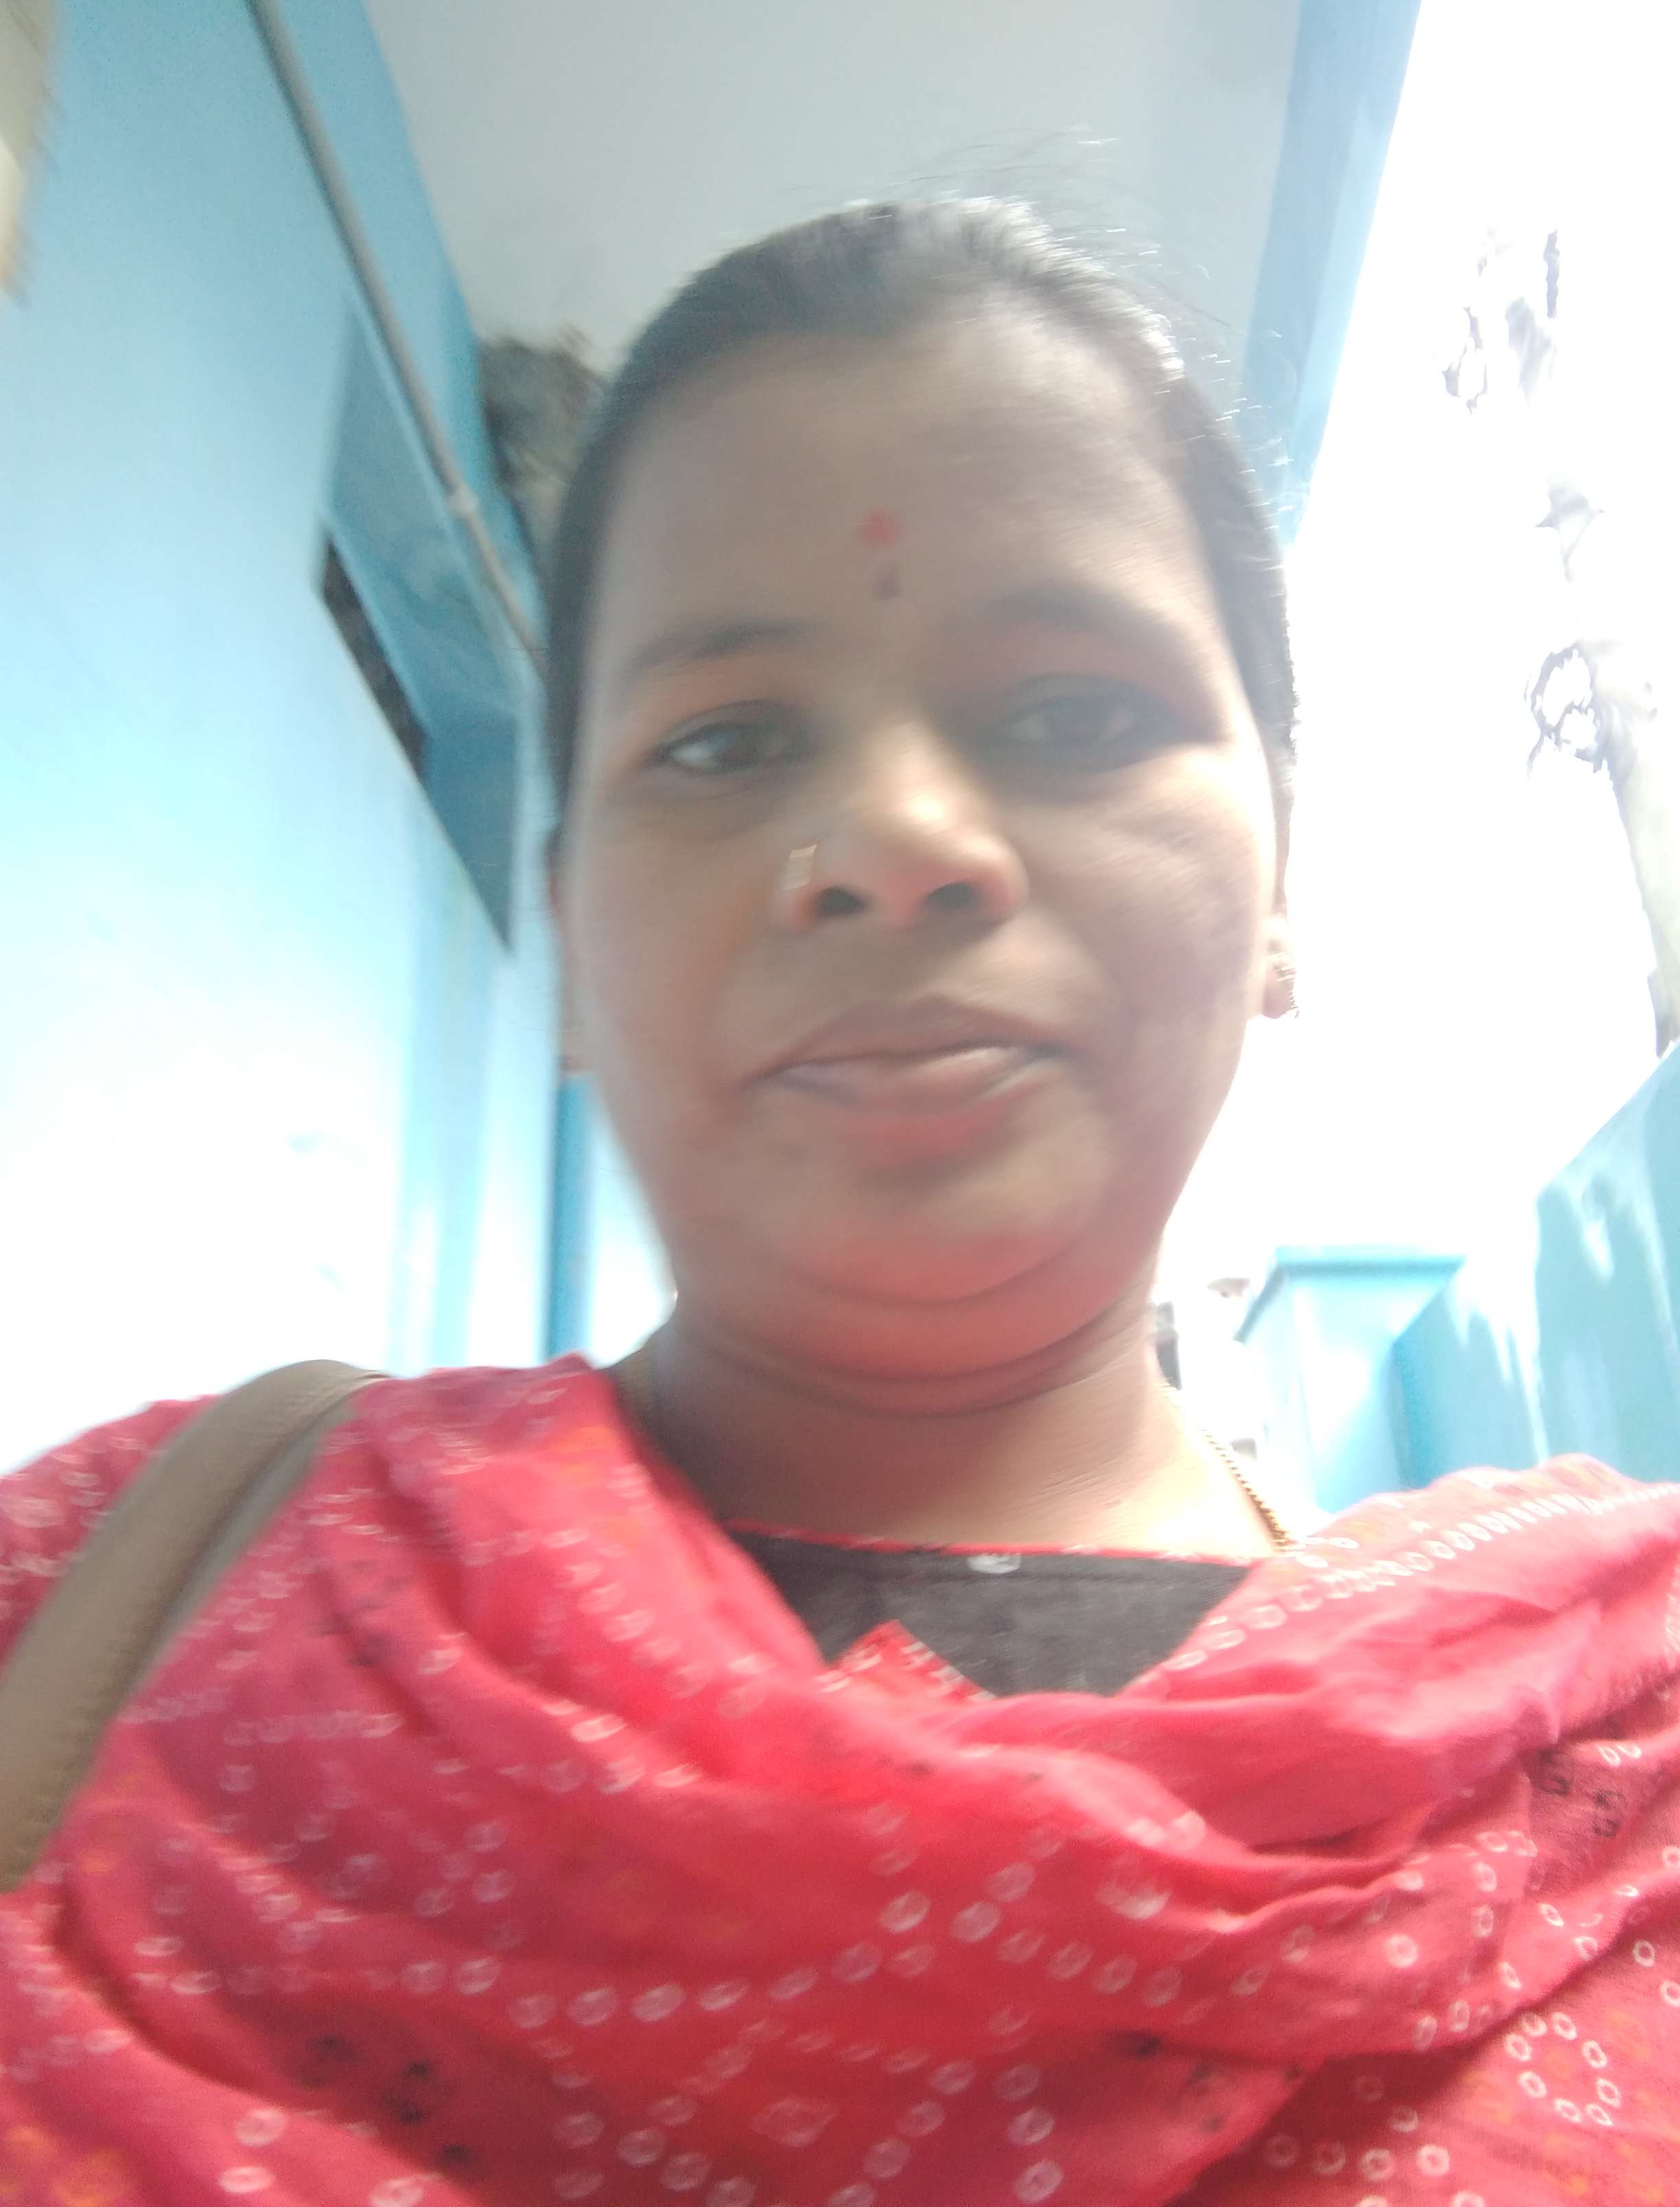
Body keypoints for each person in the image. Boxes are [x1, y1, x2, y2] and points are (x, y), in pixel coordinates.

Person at [1, 199, 1677, 2207]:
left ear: (1283, 885)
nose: (892, 836)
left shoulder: (1604, 1771)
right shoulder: (127, 1589)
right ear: (569, 922)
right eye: (724, 740)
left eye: (1073, 713)